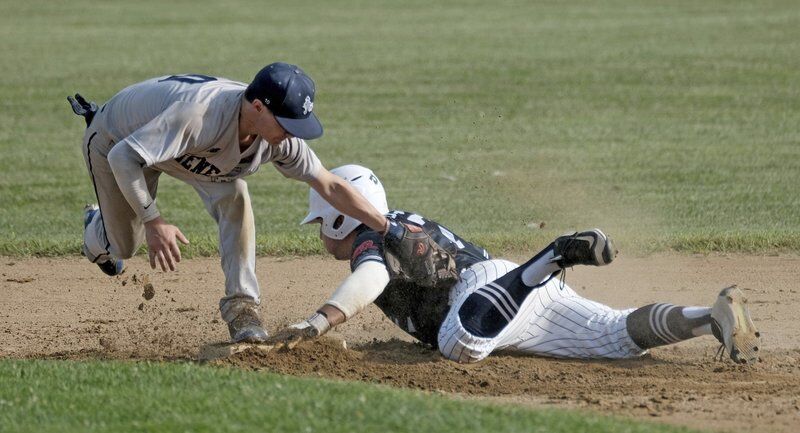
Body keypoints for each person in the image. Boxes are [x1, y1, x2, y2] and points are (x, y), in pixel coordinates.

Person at [270, 164, 761, 365]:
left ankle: (549, 257)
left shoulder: (369, 239)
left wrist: (319, 322)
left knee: (459, 345)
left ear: (339, 219)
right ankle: (709, 317)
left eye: (320, 223)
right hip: (509, 301)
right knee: (617, 339)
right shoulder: (393, 222)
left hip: (484, 294)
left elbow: (373, 276)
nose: (319, 232)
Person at [69, 63, 393, 344]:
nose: (293, 135)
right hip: (118, 140)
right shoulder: (199, 116)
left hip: (192, 151)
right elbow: (122, 156)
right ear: (257, 107)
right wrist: (154, 220)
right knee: (124, 245)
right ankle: (96, 229)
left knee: (236, 195)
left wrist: (386, 226)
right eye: (286, 123)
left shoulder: (279, 139)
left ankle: (243, 309)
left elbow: (331, 185)